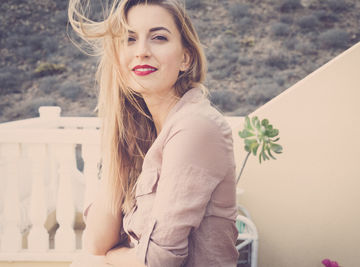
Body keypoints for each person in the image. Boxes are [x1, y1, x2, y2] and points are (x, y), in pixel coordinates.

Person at [68, 0, 238, 266]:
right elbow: (96, 240)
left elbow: (157, 261)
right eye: (129, 39)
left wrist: (112, 256)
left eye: (158, 37)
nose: (142, 52)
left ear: (186, 58)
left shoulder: (195, 127)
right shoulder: (145, 133)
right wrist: (119, 145)